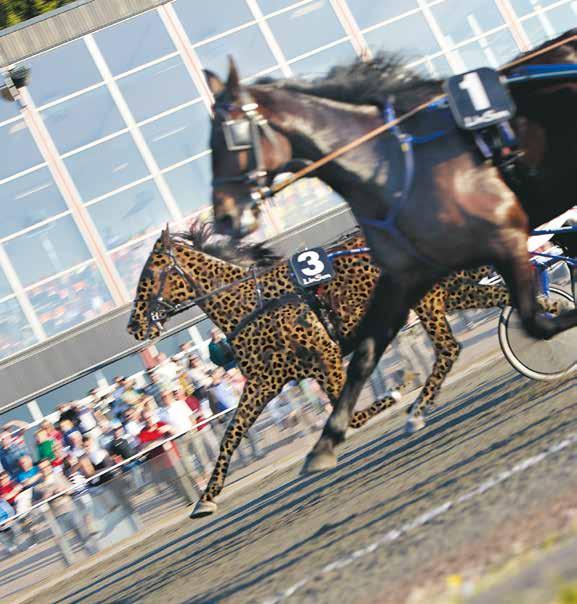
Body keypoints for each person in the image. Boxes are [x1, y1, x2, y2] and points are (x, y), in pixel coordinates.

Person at [35, 459, 97, 554]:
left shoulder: (58, 477)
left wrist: (63, 490)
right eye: (42, 468)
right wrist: (46, 497)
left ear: (50, 466)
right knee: (63, 541)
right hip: (55, 516)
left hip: (69, 509)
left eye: (46, 467)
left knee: (82, 532)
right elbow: (37, 502)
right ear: (39, 471)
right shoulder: (38, 486)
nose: (45, 469)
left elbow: (71, 489)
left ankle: (94, 551)